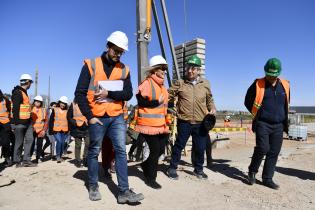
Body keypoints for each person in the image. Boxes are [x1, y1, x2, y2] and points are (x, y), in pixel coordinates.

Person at [75, 31, 144, 203]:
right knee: (93, 151)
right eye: (116, 50)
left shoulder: (124, 69)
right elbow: (80, 93)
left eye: (121, 52)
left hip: (116, 117)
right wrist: (89, 116)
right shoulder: (91, 65)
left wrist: (110, 93)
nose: (118, 55)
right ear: (108, 46)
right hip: (96, 117)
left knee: (121, 151)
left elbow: (128, 94)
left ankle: (124, 191)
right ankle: (93, 186)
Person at [166, 55, 216, 180]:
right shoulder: (180, 83)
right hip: (184, 121)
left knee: (200, 147)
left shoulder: (205, 83)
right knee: (179, 145)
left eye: (193, 68)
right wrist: (170, 107)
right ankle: (172, 168)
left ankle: (198, 170)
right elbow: (168, 95)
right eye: (188, 68)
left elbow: (209, 99)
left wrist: (213, 108)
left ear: (199, 70)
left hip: (200, 122)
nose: (190, 71)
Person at [245, 58, 290, 190]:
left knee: (274, 151)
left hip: (279, 125)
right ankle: (252, 171)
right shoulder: (257, 84)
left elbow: (286, 103)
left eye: (273, 75)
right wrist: (258, 113)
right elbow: (247, 101)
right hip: (263, 123)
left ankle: (267, 178)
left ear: (278, 73)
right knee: (263, 148)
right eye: (269, 74)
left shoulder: (286, 85)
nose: (271, 77)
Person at [134, 55, 170, 189]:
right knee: (155, 151)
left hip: (161, 125)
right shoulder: (147, 83)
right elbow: (140, 101)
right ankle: (150, 178)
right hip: (148, 125)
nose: (165, 72)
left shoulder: (162, 86)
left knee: (161, 149)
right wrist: (156, 102)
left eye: (165, 69)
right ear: (155, 70)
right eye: (163, 69)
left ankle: (145, 165)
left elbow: (165, 104)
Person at [12, 74, 37, 167]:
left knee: (30, 140)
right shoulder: (18, 92)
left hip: (28, 122)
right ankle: (17, 162)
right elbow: (15, 109)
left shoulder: (24, 92)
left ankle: (26, 160)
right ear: (27, 82)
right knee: (19, 142)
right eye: (30, 82)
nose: (31, 84)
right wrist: (16, 123)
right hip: (20, 123)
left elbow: (25, 109)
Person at [67, 99, 89, 168]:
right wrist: (75, 123)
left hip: (87, 127)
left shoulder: (88, 102)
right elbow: (69, 116)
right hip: (77, 128)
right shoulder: (73, 104)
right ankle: (78, 160)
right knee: (78, 145)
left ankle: (85, 159)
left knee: (88, 144)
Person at [49, 96, 69, 163]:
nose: (62, 104)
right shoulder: (55, 110)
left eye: (64, 103)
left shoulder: (67, 111)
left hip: (64, 130)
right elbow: (51, 120)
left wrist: (69, 130)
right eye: (61, 103)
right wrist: (51, 130)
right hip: (56, 130)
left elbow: (69, 121)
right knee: (59, 141)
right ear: (59, 103)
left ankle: (60, 156)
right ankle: (58, 156)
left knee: (63, 143)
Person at [30, 95, 48, 163]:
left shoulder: (43, 110)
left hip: (40, 130)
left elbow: (46, 121)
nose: (37, 103)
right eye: (36, 101)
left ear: (41, 103)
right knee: (31, 144)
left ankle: (38, 157)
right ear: (34, 101)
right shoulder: (30, 108)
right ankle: (29, 157)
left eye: (39, 102)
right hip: (31, 129)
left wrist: (44, 130)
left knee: (39, 144)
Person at [0, 89, 13, 167]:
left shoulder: (5, 100)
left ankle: (7, 158)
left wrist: (10, 121)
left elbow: (9, 110)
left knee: (6, 142)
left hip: (5, 123)